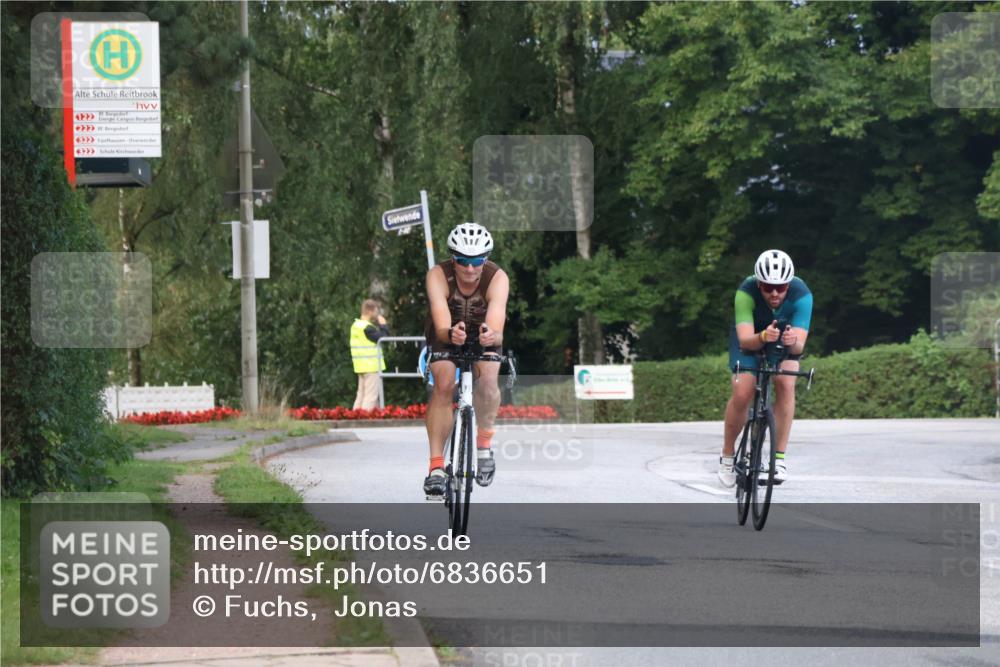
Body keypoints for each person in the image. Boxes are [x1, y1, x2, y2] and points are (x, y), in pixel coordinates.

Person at [422, 222, 510, 497]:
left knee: (488, 381)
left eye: (476, 261)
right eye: (462, 261)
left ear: (485, 259)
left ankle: (483, 444)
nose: (470, 269)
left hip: (484, 332)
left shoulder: (497, 277)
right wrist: (450, 333)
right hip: (446, 332)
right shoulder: (438, 275)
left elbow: (496, 326)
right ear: (452, 258)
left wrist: (490, 336)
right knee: (445, 383)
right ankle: (436, 467)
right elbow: (440, 323)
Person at [718, 249, 812, 487]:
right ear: (758, 283)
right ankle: (727, 456)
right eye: (768, 287)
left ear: (788, 285)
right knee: (742, 391)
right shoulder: (745, 291)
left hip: (783, 338)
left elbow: (799, 347)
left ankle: (778, 459)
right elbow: (745, 340)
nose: (774, 293)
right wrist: (762, 336)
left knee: (786, 382)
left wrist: (793, 342)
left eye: (780, 288)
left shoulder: (802, 296)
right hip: (752, 338)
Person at [349, 299, 389, 410]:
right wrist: (383, 325)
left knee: (361, 395)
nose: (377, 314)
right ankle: (363, 420)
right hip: (371, 366)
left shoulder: (356, 325)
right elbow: (384, 339)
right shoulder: (367, 328)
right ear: (370, 311)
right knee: (371, 396)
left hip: (360, 366)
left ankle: (354, 417)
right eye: (376, 311)